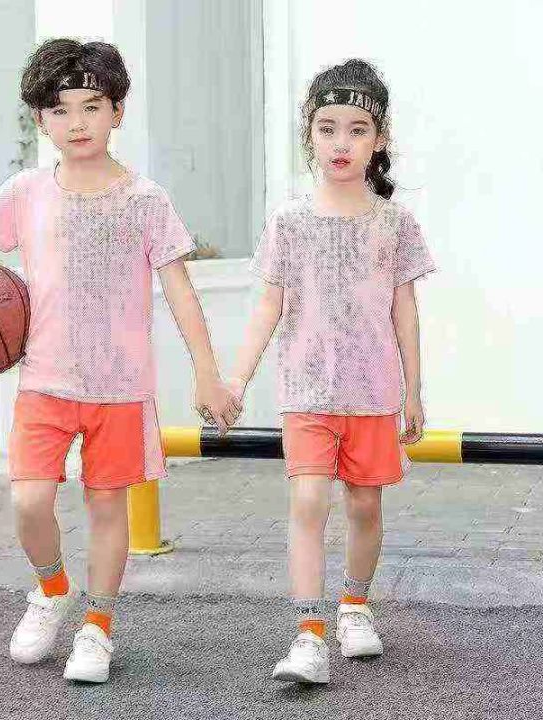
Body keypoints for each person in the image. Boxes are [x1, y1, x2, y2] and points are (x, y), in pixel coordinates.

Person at [0, 37, 241, 684]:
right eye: (60, 110)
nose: (77, 122)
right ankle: (52, 588)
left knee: (108, 508)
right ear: (40, 120)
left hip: (120, 387)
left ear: (118, 111)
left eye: (91, 106)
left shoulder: (146, 200)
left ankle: (98, 626)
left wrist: (206, 371)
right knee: (29, 501)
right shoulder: (25, 192)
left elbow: (180, 292)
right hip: (45, 382)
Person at [227, 59, 436, 684]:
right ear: (309, 135)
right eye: (327, 128)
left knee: (365, 507)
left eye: (357, 129)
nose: (341, 142)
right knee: (309, 498)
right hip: (307, 390)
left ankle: (354, 607)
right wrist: (236, 379)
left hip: (373, 393)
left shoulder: (394, 223)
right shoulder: (289, 221)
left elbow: (405, 311)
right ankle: (308, 634)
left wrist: (414, 393)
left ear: (380, 138)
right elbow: (269, 305)